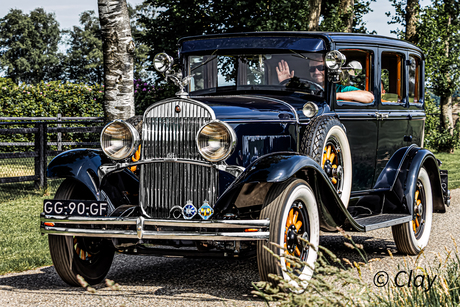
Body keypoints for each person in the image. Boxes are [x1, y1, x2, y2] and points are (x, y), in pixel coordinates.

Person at [276, 60, 374, 103]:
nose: (316, 71)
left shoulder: (341, 89)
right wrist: (286, 83)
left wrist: (335, 96)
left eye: (320, 67)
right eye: (312, 69)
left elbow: (369, 97)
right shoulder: (306, 89)